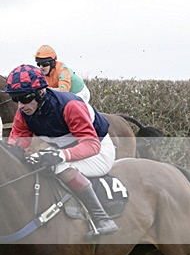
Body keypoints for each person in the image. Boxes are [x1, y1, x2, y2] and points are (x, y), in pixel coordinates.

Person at [4, 64, 118, 235]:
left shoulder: (70, 106)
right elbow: (15, 147)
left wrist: (60, 155)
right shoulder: (24, 113)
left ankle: (101, 218)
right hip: (72, 151)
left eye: (25, 98)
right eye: (16, 99)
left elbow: (92, 145)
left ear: (41, 92)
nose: (20, 106)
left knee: (58, 166)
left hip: (99, 151)